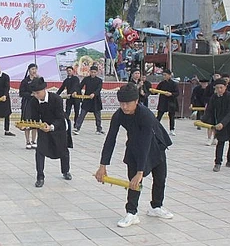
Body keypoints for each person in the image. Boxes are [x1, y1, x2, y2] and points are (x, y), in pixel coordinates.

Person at [95, 83, 173, 228]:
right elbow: (110, 139)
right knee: (133, 182)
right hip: (134, 146)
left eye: (128, 103)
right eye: (122, 103)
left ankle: (156, 206)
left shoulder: (146, 115)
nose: (124, 107)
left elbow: (146, 143)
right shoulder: (118, 115)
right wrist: (102, 165)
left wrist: (140, 172)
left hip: (156, 144)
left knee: (160, 178)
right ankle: (131, 213)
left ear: (136, 101)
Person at [27, 77, 72, 188]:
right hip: (43, 128)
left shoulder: (56, 99)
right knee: (40, 151)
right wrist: (28, 126)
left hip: (59, 127)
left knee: (63, 151)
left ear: (44, 90)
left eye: (38, 93)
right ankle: (40, 176)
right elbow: (34, 118)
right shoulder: (34, 101)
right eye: (34, 93)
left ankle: (65, 171)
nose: (36, 95)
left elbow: (60, 118)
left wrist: (51, 127)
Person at [201, 79, 230, 172]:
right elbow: (209, 110)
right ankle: (218, 162)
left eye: (221, 87)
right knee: (220, 142)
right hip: (219, 123)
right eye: (217, 88)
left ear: (225, 87)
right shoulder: (214, 97)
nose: (219, 90)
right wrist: (203, 120)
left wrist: (223, 123)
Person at [73, 65, 104, 135]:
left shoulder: (99, 80)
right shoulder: (86, 79)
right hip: (87, 99)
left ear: (97, 72)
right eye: (92, 72)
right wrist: (75, 91)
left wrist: (94, 94)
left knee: (97, 116)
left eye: (94, 72)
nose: (93, 73)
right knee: (82, 114)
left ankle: (99, 129)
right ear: (89, 72)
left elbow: (99, 89)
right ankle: (77, 128)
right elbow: (79, 86)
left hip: (96, 100)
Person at [19, 64, 39, 149]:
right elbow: (21, 93)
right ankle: (27, 141)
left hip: (36, 103)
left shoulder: (38, 80)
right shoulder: (25, 81)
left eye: (35, 69)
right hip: (27, 103)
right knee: (27, 123)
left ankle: (34, 140)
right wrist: (30, 94)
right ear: (29, 70)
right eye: (32, 69)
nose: (34, 71)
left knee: (35, 123)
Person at [156, 69, 179, 136]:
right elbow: (157, 90)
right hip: (163, 101)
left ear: (169, 75)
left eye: (165, 75)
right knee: (159, 115)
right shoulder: (162, 83)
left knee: (171, 116)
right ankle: (155, 127)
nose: (164, 76)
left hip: (171, 101)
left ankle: (172, 129)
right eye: (163, 75)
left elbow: (177, 93)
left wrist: (171, 94)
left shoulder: (174, 84)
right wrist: (154, 91)